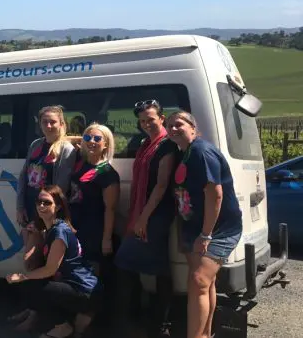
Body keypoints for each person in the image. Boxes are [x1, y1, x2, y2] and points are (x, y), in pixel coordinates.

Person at [166, 111, 243, 338]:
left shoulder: (201, 151)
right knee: (204, 283)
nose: (172, 129)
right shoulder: (183, 153)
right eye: (169, 126)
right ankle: (205, 334)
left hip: (217, 229)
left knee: (199, 279)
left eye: (178, 124)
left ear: (193, 126)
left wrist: (206, 234)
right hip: (195, 226)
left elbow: (215, 194)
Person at [114, 100, 179, 338]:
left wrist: (142, 218)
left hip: (156, 213)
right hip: (146, 213)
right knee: (160, 267)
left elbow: (161, 186)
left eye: (150, 119)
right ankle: (157, 323)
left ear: (162, 118)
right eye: (142, 121)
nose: (146, 124)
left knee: (124, 261)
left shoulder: (166, 146)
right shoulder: (146, 144)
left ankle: (133, 321)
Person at [6, 185, 102, 338]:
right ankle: (68, 323)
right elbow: (29, 263)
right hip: (71, 286)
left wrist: (23, 277)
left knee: (32, 284)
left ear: (57, 207)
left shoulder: (59, 231)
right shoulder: (50, 228)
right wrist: (34, 235)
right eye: (39, 202)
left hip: (83, 291)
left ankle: (62, 326)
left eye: (47, 202)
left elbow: (50, 269)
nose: (41, 205)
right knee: (34, 279)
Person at [68, 123, 120, 325]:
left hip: (94, 231)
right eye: (87, 137)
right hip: (75, 229)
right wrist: (79, 139)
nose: (91, 142)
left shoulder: (107, 173)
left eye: (98, 139)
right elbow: (63, 140)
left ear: (106, 145)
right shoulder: (80, 163)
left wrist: (106, 239)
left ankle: (83, 327)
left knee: (89, 279)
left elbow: (111, 209)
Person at [17, 105, 77, 271]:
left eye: (53, 122)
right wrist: (20, 206)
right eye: (45, 122)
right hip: (30, 208)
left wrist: (42, 218)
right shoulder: (36, 145)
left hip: (46, 213)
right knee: (35, 260)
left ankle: (41, 293)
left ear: (62, 124)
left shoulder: (66, 149)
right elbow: (24, 176)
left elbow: (60, 187)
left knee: (34, 260)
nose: (49, 126)